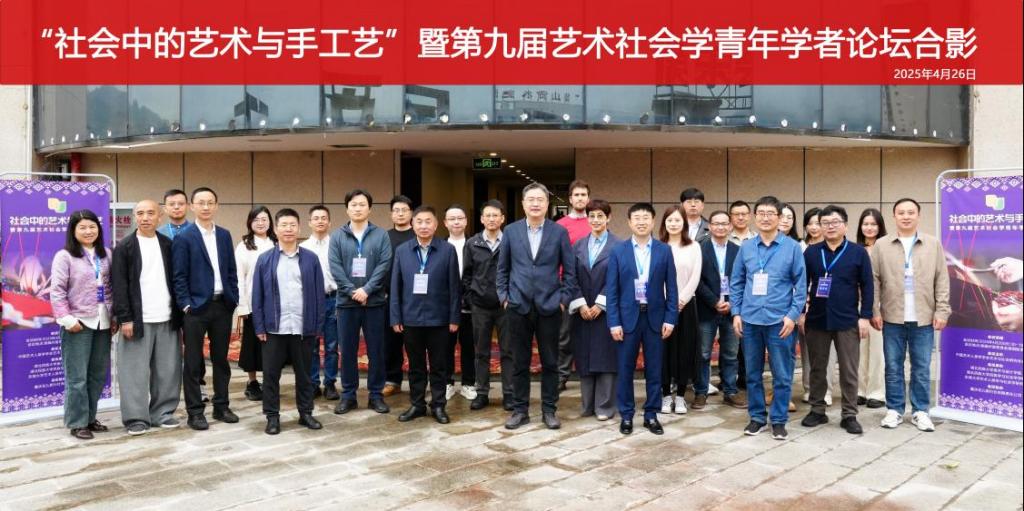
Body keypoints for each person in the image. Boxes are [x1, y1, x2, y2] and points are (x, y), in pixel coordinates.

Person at [497, 182, 578, 430]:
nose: (535, 204)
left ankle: (549, 410)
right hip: (518, 305)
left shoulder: (558, 232)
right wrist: (504, 297)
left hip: (550, 306)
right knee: (519, 361)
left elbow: (570, 271)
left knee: (550, 362)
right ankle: (520, 410)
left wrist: (563, 301)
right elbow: (502, 269)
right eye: (530, 199)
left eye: (540, 200)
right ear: (523, 204)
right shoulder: (511, 231)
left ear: (547, 203)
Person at [871, 198, 950, 432]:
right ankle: (894, 410)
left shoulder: (932, 244)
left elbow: (942, 279)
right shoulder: (881, 245)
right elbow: (874, 281)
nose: (906, 216)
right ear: (894, 216)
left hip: (923, 316)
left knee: (921, 367)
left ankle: (920, 411)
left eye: (911, 212)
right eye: (901, 213)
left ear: (918, 215)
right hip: (892, 316)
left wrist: (942, 310)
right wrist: (874, 310)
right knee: (893, 366)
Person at [731, 196, 806, 441]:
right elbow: (737, 282)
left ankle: (779, 420)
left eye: (770, 213)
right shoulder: (746, 248)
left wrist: (792, 316)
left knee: (782, 375)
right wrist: (736, 312)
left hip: (779, 321)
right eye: (761, 213)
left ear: (779, 217)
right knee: (752, 374)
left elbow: (801, 286)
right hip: (750, 320)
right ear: (755, 217)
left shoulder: (792, 247)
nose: (765, 218)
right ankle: (757, 417)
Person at [799, 205, 874, 435]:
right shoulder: (811, 252)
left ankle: (849, 414)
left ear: (845, 226)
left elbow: (868, 286)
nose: (830, 226)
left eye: (835, 222)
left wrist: (865, 316)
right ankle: (817, 410)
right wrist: (801, 312)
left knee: (849, 370)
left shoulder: (857, 252)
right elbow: (801, 285)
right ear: (820, 226)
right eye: (825, 223)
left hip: (848, 320)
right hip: (817, 320)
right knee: (818, 368)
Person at [251, 208, 325, 435]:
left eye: (293, 225)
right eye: (284, 225)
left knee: (304, 375)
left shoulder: (311, 259)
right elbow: (257, 296)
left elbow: (319, 295)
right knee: (271, 375)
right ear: (276, 229)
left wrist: (317, 325)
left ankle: (306, 413)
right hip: (275, 328)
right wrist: (259, 325)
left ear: (299, 228)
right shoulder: (265, 259)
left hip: (303, 327)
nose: (288, 229)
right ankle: (272, 417)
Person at [111, 200, 182, 435]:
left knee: (168, 370)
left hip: (167, 318)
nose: (145, 218)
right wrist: (125, 318)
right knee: (133, 372)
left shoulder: (168, 244)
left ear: (160, 217)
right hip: (137, 320)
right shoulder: (125, 247)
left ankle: (162, 413)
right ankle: (136, 417)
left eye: (150, 213)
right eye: (140, 213)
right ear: (134, 217)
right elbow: (119, 286)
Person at [606, 202, 678, 435]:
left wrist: (671, 318)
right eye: (636, 218)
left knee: (654, 370)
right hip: (627, 319)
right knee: (625, 369)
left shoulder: (664, 250)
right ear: (629, 222)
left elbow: (672, 288)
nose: (641, 222)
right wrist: (614, 322)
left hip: (655, 319)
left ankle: (651, 414)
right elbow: (612, 290)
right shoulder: (618, 251)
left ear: (653, 221)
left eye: (646, 217)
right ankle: (626, 415)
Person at [172, 187, 240, 431]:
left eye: (210, 202)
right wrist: (186, 304)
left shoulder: (224, 235)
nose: (206, 207)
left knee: (221, 360)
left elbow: (231, 270)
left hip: (222, 305)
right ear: (192, 206)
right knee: (193, 362)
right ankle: (195, 412)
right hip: (196, 309)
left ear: (217, 206)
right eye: (201, 202)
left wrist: (233, 297)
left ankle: (221, 406)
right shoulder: (184, 237)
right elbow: (178, 276)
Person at [390, 206, 462, 424]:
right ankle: (417, 404)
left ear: (436, 224)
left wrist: (454, 317)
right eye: (419, 221)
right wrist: (396, 317)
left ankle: (438, 405)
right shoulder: (402, 251)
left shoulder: (447, 250)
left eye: (428, 221)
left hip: (439, 318)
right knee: (415, 366)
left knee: (440, 366)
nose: (423, 226)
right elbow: (396, 286)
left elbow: (454, 286)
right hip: (410, 318)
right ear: (412, 224)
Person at [51, 209, 116, 440]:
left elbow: (112, 287)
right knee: (77, 377)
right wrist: (67, 319)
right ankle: (77, 422)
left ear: (99, 229)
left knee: (97, 375)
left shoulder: (106, 254)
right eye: (83, 227)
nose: (88, 231)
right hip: (78, 322)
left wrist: (114, 317)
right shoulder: (65, 256)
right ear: (73, 230)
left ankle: (90, 417)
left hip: (103, 321)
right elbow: (57, 291)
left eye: (92, 226)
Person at [329, 189, 392, 415]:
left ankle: (376, 395)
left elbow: (384, 264)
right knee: (347, 350)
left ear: (370, 208)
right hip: (346, 304)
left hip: (374, 303)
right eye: (353, 205)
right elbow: (335, 266)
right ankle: (348, 395)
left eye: (362, 204)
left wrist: (367, 289)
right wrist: (351, 290)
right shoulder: (337, 236)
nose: (358, 208)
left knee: (376, 350)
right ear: (347, 209)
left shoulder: (381, 235)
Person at [568, 199, 620, 421]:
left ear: (608, 218)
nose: (596, 220)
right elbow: (570, 277)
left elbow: (619, 277)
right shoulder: (577, 246)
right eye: (592, 216)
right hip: (582, 311)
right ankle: (587, 405)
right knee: (585, 356)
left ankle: (605, 406)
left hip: (608, 311)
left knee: (606, 358)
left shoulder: (619, 246)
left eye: (600, 216)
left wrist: (600, 304)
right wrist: (580, 303)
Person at [462, 200, 513, 411]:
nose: (491, 219)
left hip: (505, 306)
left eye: (495, 215)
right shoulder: (472, 243)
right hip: (480, 306)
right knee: (481, 351)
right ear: (482, 219)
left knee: (508, 351)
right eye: (488, 215)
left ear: (502, 218)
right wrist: (471, 299)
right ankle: (482, 392)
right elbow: (467, 275)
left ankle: (509, 393)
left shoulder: (510, 241)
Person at [160, 188, 208, 403]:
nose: (177, 207)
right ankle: (167, 388)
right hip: (166, 296)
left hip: (193, 297)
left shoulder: (198, 231)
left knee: (194, 344)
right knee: (167, 344)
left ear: (188, 206)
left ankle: (199, 385)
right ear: (165, 208)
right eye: (172, 204)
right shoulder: (159, 232)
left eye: (180, 203)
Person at [694, 211, 746, 409]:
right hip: (707, 309)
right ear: (710, 226)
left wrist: (733, 302)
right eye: (716, 223)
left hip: (732, 310)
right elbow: (696, 280)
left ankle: (730, 391)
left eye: (725, 224)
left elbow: (743, 279)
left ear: (730, 226)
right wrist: (715, 302)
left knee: (731, 354)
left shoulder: (738, 250)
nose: (721, 227)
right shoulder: (699, 249)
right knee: (703, 354)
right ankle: (701, 392)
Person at [658, 205, 702, 413]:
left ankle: (682, 396)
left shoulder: (693, 246)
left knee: (685, 351)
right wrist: (668, 301)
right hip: (662, 305)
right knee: (664, 351)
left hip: (686, 305)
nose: (673, 224)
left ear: (684, 222)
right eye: (670, 220)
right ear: (664, 223)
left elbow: (695, 276)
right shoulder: (658, 246)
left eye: (677, 220)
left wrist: (681, 300)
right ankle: (666, 396)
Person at [234, 206, 277, 403]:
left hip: (276, 304)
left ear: (270, 222)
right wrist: (242, 306)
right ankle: (252, 382)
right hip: (253, 303)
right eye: (256, 219)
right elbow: (239, 278)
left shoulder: (277, 243)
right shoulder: (244, 246)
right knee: (252, 344)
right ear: (250, 223)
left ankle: (270, 381)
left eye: (264, 219)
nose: (261, 223)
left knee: (274, 345)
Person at [301, 205, 341, 401]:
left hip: (334, 298)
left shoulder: (337, 245)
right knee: (312, 345)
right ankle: (313, 383)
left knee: (332, 345)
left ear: (329, 222)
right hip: (311, 302)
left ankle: (330, 383)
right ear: (309, 222)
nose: (320, 221)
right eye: (316, 218)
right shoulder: (303, 248)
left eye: (323, 218)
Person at [557, 179, 593, 391]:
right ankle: (561, 376)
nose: (580, 198)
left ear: (588, 198)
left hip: (592, 284)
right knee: (565, 334)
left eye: (583, 195)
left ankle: (589, 374)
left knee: (590, 332)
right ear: (570, 199)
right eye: (576, 195)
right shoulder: (560, 225)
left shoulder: (595, 221)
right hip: (567, 284)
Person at [799, 207, 836, 406]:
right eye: (810, 223)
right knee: (807, 350)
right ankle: (809, 388)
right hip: (804, 305)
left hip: (826, 305)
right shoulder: (800, 247)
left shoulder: (832, 247)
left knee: (828, 352)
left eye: (817, 223)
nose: (814, 227)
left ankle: (826, 390)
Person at [383, 195, 415, 397]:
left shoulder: (418, 235)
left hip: (414, 298)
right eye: (396, 210)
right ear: (391, 214)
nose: (400, 214)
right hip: (389, 298)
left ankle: (417, 382)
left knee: (415, 342)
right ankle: (392, 380)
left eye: (404, 210)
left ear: (411, 213)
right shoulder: (383, 237)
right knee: (391, 342)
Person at [856, 208, 887, 409]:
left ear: (880, 226)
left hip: (879, 306)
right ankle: (859, 390)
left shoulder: (886, 248)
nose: (869, 228)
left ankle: (876, 392)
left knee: (877, 351)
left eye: (873, 224)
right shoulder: (855, 249)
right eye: (865, 224)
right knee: (858, 351)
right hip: (856, 305)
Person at [444, 204, 476, 401]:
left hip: (469, 305)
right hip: (446, 306)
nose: (456, 222)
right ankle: (447, 383)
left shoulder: (474, 244)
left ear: (466, 221)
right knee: (445, 346)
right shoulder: (439, 246)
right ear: (445, 223)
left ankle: (468, 383)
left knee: (469, 346)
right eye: (452, 219)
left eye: (460, 218)